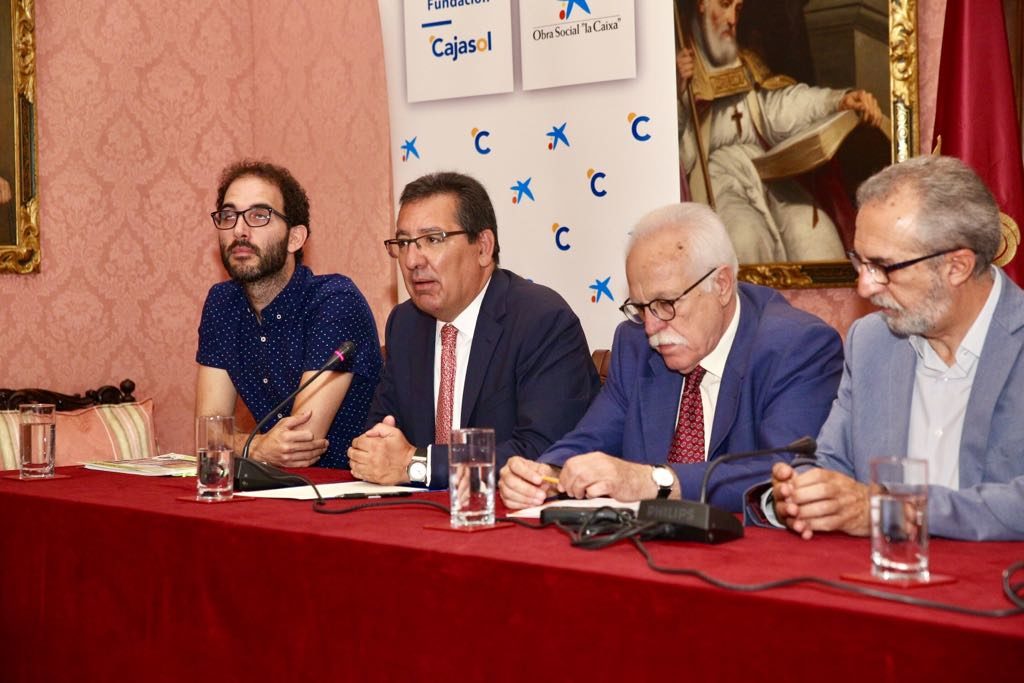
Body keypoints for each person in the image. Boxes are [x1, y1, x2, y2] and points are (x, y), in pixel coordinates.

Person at [499, 202, 843, 511]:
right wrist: (546, 473)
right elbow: (590, 437)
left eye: (666, 304)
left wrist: (655, 482)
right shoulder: (634, 345)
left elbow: (785, 474)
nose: (651, 326)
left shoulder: (797, 346)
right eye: (640, 307)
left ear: (722, 285)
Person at [763, 155, 1024, 541]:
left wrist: (894, 510)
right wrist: (804, 493)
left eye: (884, 267)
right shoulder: (871, 341)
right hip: (881, 584)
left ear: (957, 266)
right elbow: (832, 462)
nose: (865, 287)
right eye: (860, 262)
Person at [347, 172, 600, 489]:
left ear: (483, 247)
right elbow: (380, 432)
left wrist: (419, 465)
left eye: (433, 240)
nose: (412, 260)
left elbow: (544, 453)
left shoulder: (541, 320)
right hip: (419, 518)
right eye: (404, 243)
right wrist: (377, 451)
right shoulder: (405, 324)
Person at [195, 160, 381, 469]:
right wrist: (256, 447)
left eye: (259, 216)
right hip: (272, 490)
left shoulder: (334, 301)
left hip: (345, 492)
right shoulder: (222, 303)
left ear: (295, 238)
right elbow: (208, 435)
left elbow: (301, 444)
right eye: (229, 216)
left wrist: (240, 444)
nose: (239, 230)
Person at [677, 0, 884, 263]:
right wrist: (679, 94)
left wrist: (837, 101)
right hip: (716, 177)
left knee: (814, 231)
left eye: (737, 10)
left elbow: (779, 108)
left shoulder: (747, 63)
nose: (732, 19)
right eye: (725, 5)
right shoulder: (678, 73)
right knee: (745, 236)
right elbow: (677, 155)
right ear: (702, 5)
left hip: (765, 170)